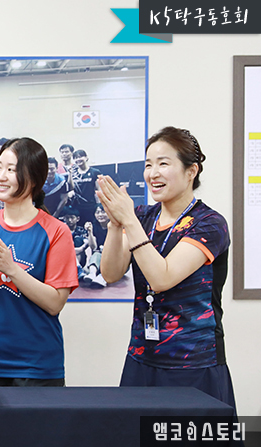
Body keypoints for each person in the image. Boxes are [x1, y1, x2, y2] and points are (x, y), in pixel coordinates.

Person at [98, 126, 236, 410]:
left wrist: (129, 221)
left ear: (191, 171)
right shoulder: (142, 217)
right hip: (141, 357)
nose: (153, 173)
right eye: (148, 164)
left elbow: (162, 278)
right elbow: (110, 273)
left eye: (163, 163)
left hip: (193, 362)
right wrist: (114, 224)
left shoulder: (209, 224)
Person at [0, 137, 78, 386]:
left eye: (11, 170)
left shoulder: (56, 231)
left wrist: (11, 269)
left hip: (37, 367)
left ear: (34, 179)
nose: (1, 176)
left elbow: (55, 303)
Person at [71, 148, 101, 227]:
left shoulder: (95, 172)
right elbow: (70, 188)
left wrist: (98, 205)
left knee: (91, 226)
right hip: (77, 206)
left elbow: (98, 190)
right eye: (76, 158)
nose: (78, 159)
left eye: (80, 157)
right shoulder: (73, 174)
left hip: (90, 206)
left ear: (86, 158)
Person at [82, 205, 110, 288]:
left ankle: (103, 277)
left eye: (103, 212)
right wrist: (90, 232)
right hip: (98, 259)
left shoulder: (115, 226)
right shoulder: (94, 226)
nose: (100, 215)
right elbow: (93, 247)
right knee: (96, 254)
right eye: (97, 212)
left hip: (113, 260)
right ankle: (92, 274)